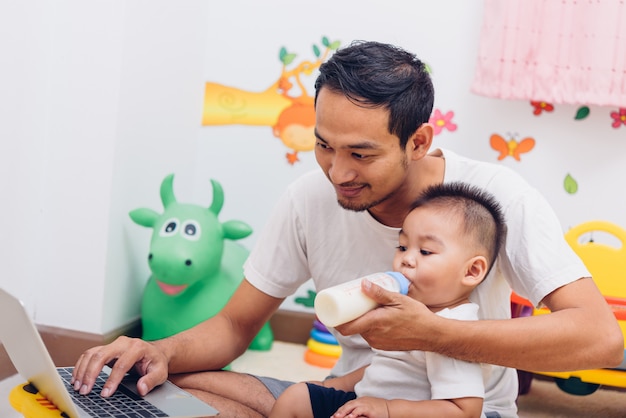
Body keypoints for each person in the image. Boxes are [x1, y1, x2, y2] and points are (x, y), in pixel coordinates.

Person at [71, 40, 623, 418]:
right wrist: (159, 351)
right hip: (351, 397)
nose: (337, 172)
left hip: (450, 411)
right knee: (161, 390)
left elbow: (599, 335)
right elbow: (236, 326)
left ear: (419, 142)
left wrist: (437, 335)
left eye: (361, 153)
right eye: (323, 145)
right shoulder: (308, 200)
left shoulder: (493, 199)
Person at [270, 182, 510, 418]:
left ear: (471, 271)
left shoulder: (455, 327)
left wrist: (387, 409)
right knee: (297, 397)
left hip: (405, 412)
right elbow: (385, 367)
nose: (406, 259)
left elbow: (464, 411)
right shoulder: (404, 309)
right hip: (367, 403)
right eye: (402, 247)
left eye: (425, 251)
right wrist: (338, 384)